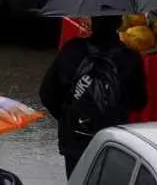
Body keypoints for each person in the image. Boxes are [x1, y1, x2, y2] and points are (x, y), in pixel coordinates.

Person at [39, 15, 148, 177]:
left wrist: (68, 116)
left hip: (76, 143)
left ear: (92, 22)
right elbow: (140, 102)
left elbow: (46, 93)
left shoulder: (71, 50)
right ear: (119, 23)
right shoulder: (130, 58)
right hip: (114, 145)